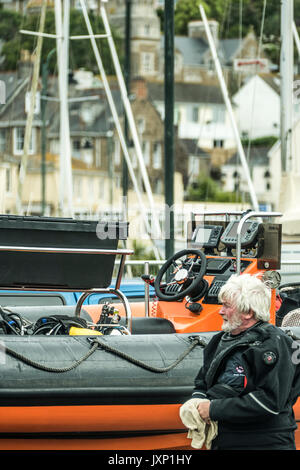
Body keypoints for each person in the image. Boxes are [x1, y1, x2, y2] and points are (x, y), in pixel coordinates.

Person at [192, 273, 300, 450]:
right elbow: (202, 382)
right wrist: (195, 402)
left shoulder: (272, 344)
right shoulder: (219, 341)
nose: (220, 311)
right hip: (226, 440)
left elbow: (270, 402)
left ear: (248, 312)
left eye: (227, 306)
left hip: (265, 442)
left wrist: (213, 409)